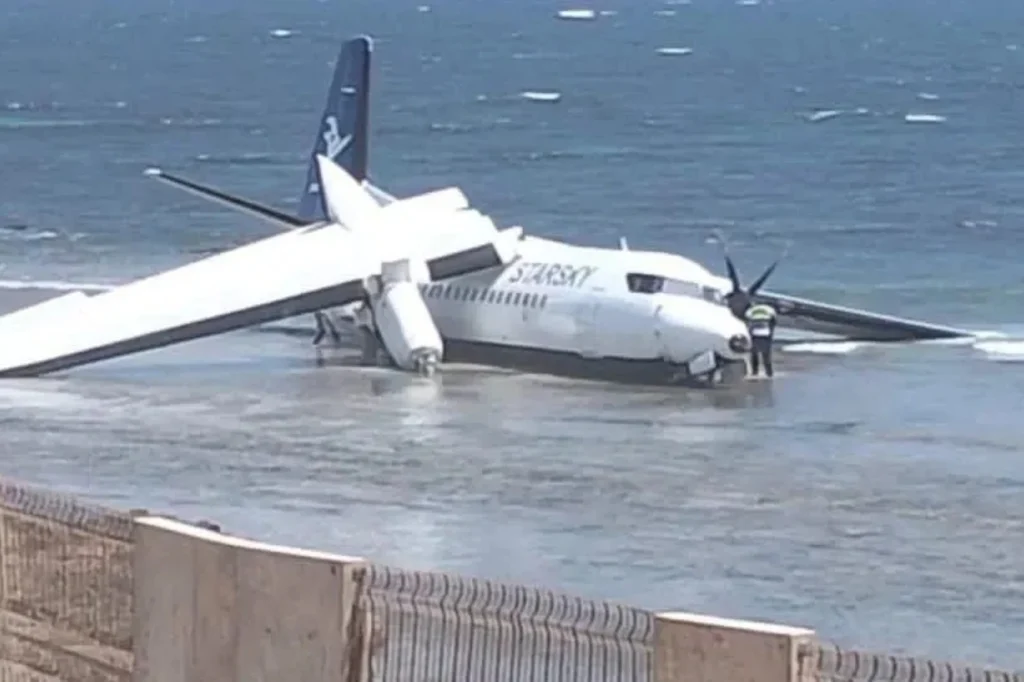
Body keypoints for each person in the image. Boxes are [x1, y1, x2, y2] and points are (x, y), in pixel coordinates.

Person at [744, 303, 777, 378]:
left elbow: (747, 322)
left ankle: (755, 372)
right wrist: (771, 332)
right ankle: (769, 373)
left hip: (754, 334)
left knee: (754, 354)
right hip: (766, 333)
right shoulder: (770, 309)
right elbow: (774, 321)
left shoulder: (750, 310)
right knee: (766, 354)